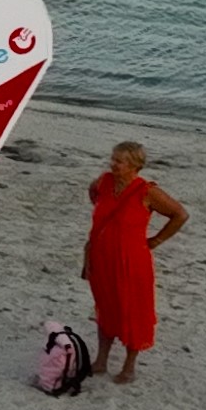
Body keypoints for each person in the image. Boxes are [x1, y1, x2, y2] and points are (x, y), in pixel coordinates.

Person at [82, 141, 188, 388]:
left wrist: (156, 240)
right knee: (106, 307)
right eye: (113, 158)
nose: (113, 163)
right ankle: (101, 361)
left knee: (133, 311)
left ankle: (129, 368)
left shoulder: (146, 191)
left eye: (119, 161)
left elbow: (180, 214)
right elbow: (94, 195)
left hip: (132, 261)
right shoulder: (104, 181)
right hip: (102, 257)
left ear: (135, 166)